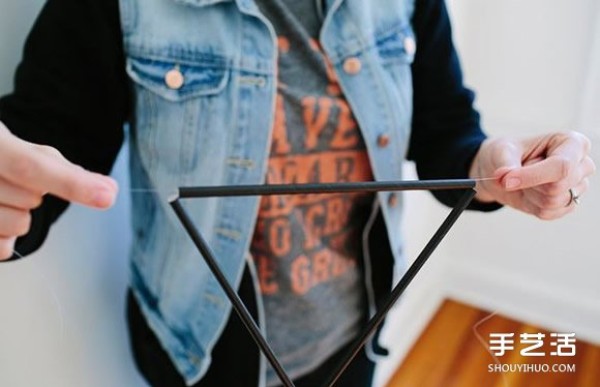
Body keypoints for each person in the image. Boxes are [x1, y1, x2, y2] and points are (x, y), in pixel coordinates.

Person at [0, 0, 594, 386]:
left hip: (356, 331)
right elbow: (42, 159)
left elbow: (446, 130)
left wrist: (493, 169)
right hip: (202, 354)